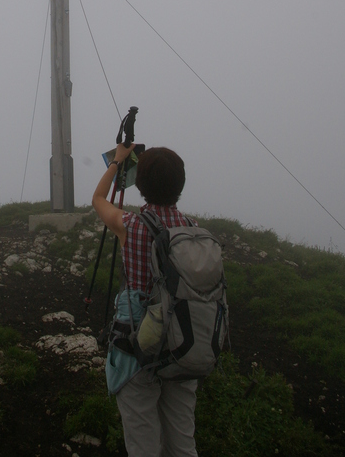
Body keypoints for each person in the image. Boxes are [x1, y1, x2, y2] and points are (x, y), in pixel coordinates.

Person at [92, 143, 198, 457]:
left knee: (144, 446)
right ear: (180, 185)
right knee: (182, 442)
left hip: (138, 346)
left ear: (139, 185)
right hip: (183, 346)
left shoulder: (132, 226)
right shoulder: (192, 230)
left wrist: (116, 162)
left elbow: (98, 200)